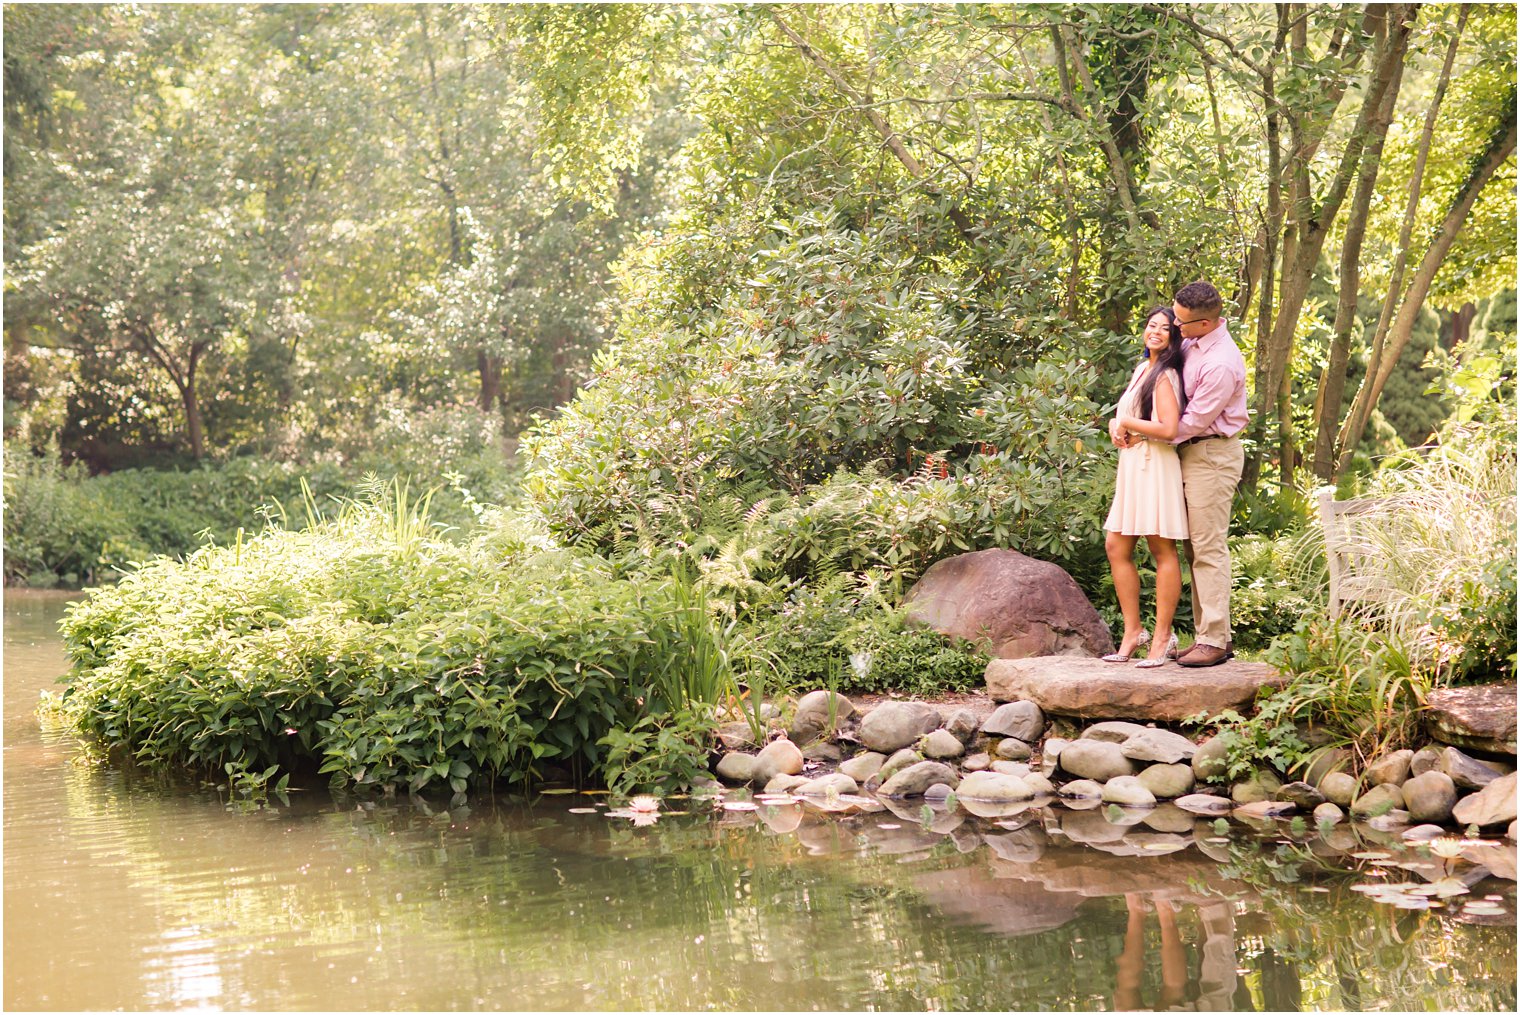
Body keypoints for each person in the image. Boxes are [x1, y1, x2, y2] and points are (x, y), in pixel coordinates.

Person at [1160, 281, 1248, 666]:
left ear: (1207, 323)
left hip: (1212, 454)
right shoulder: (1193, 342)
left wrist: (1151, 434)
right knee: (1195, 547)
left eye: (1181, 322)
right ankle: (1212, 636)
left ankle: (1213, 640)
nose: (1175, 327)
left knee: (1208, 547)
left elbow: (1194, 421)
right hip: (1189, 454)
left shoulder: (1221, 363)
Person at [1102, 306, 1188, 667]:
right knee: (1116, 545)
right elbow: (1130, 416)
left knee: (1160, 548)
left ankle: (1162, 637)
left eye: (1164, 328)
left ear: (1174, 337)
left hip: (1155, 465)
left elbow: (1169, 429)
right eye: (1151, 325)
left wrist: (1128, 422)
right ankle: (1132, 631)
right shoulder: (1142, 369)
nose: (1155, 331)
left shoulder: (1166, 374)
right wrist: (1115, 424)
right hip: (1133, 465)